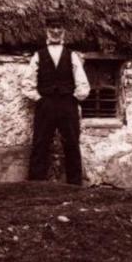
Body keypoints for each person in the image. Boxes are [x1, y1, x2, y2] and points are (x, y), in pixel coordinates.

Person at [25, 17, 90, 185]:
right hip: (45, 104)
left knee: (72, 143)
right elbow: (27, 82)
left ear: (63, 31)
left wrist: (74, 98)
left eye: (58, 27)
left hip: (67, 103)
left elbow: (82, 82)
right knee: (40, 142)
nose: (55, 31)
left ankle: (75, 184)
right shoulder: (38, 55)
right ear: (47, 30)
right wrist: (39, 99)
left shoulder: (72, 56)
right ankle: (35, 184)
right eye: (52, 27)